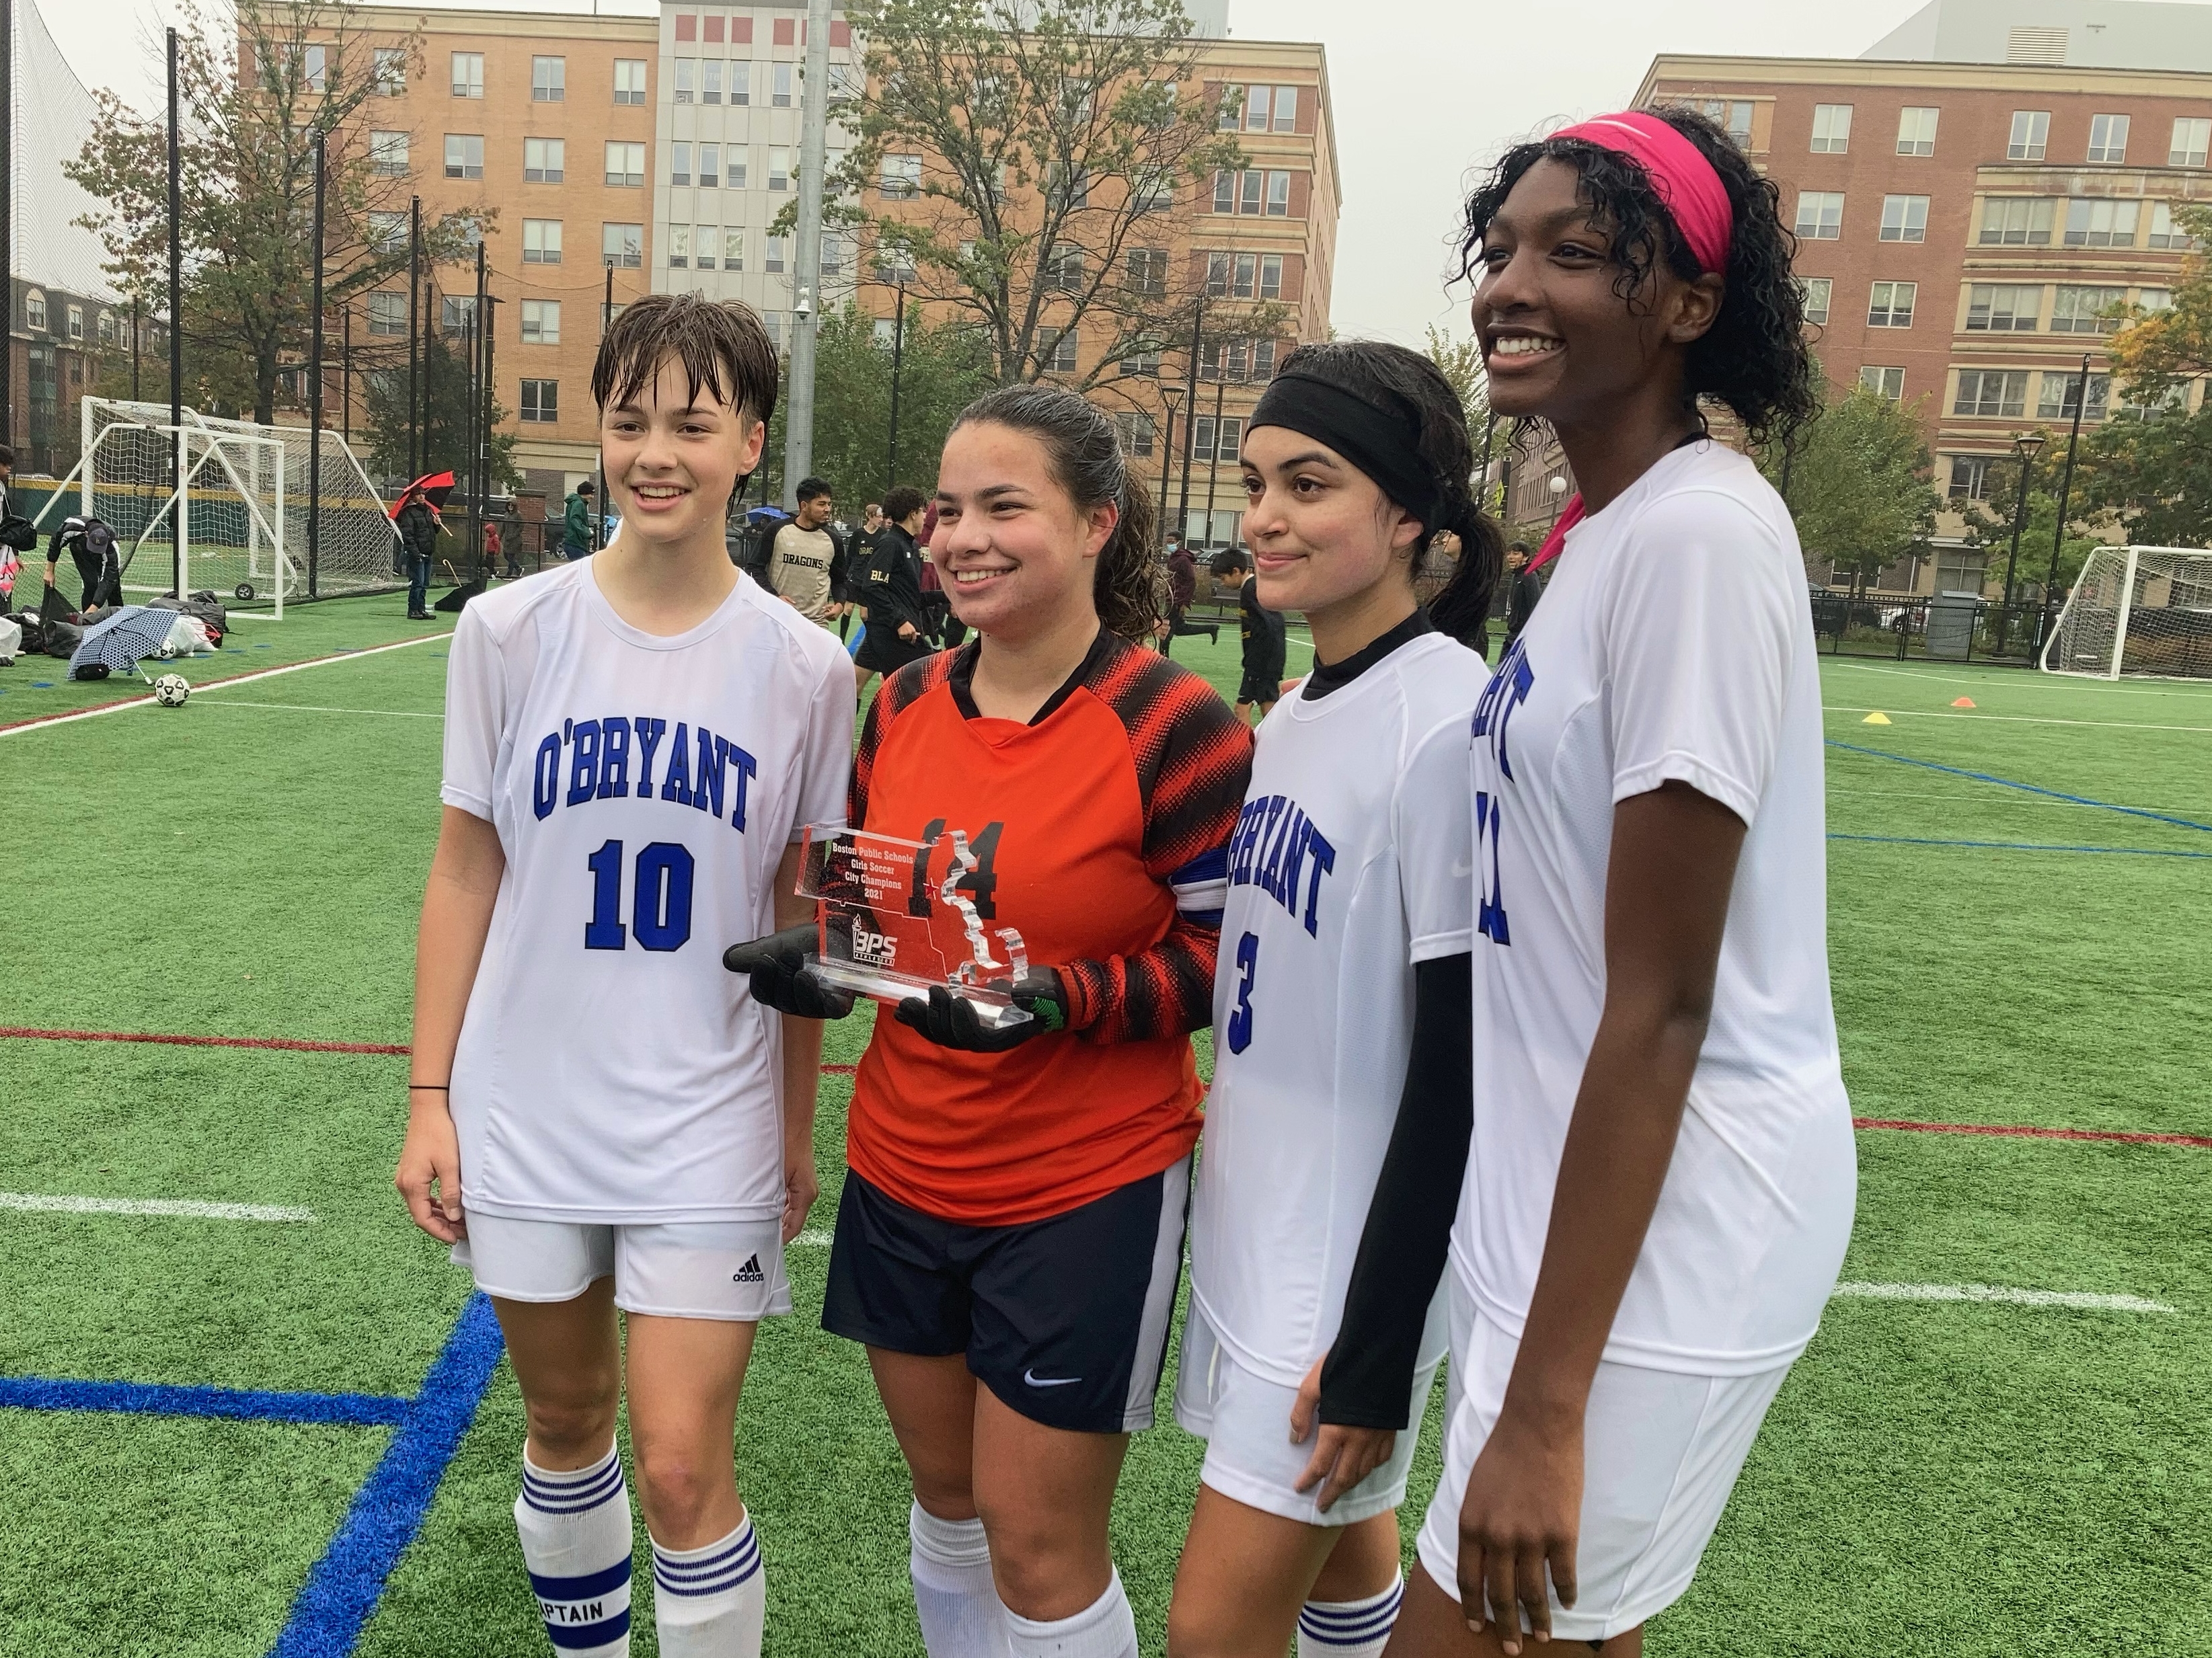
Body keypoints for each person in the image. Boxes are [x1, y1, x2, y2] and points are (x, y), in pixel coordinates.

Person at [1378, 106, 1852, 1657]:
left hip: (1680, 1217)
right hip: (1565, 1208)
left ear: (1686, 306)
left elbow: (1658, 1001)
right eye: (1499, 246)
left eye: (1573, 254)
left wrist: (1541, 1411)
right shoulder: (1599, 539)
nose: (1510, 283)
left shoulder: (1700, 542)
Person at [726, 385, 1251, 1658]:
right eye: (949, 507)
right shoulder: (901, 699)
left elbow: (1223, 966)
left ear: (1095, 525)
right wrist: (829, 960)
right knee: (949, 1507)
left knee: (1038, 1544)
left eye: (1003, 506)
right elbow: (890, 912)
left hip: (1083, 1188)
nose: (960, 535)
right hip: (903, 1169)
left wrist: (1056, 1002)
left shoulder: (1173, 727)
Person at [395, 292, 855, 1658]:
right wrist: (430, 1096)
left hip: (704, 1112)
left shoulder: (806, 666)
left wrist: (788, 1124)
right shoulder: (508, 632)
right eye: (630, 419)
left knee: (680, 1465)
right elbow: (465, 868)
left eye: (693, 424)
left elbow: (798, 920)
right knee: (562, 1422)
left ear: (749, 444)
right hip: (528, 1100)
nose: (656, 452)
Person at [1168, 341, 1500, 1658]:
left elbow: (1460, 1063)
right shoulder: (1298, 707)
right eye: (1256, 484)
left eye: (1310, 484)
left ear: (1410, 515)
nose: (1264, 517)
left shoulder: (1450, 727)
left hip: (1344, 1261)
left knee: (1213, 1632)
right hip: (1261, 1216)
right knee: (1342, 1566)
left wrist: (1373, 1336)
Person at [851, 485, 934, 695]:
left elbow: (910, 597)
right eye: (923, 511)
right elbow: (872, 587)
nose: (925, 517)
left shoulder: (911, 547)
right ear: (913, 513)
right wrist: (900, 621)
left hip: (884, 631)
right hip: (895, 635)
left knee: (854, 686)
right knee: (921, 689)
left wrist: (948, 597)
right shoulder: (891, 544)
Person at [1211, 549, 1285, 726]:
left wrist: (1255, 662)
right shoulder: (1255, 587)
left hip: (1261, 662)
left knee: (1242, 708)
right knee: (1268, 705)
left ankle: (1244, 750)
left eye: (1223, 578)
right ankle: (1276, 744)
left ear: (1236, 571)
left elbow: (1270, 626)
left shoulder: (1251, 589)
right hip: (1269, 659)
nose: (1223, 583)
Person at [765, 476, 847, 627]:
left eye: (829, 504)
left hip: (816, 624)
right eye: (821, 504)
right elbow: (755, 569)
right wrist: (775, 597)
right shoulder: (777, 530)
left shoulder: (833, 540)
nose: (827, 509)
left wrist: (839, 605)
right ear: (804, 506)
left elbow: (840, 581)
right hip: (777, 621)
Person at [1156, 542, 1219, 656]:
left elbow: (1191, 581)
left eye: (1171, 541)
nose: (1168, 544)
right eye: (1168, 541)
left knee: (1167, 628)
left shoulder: (1183, 560)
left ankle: (1163, 656)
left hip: (1177, 600)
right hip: (1172, 598)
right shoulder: (1174, 558)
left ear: (1178, 542)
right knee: (1179, 629)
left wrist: (1184, 602)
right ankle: (1211, 628)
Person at [395, 486, 439, 619]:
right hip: (417, 554)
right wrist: (416, 553)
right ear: (413, 497)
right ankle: (413, 610)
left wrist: (436, 524)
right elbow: (408, 536)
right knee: (418, 583)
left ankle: (421, 609)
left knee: (425, 584)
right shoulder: (409, 513)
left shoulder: (428, 511)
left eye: (423, 494)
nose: (422, 496)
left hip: (428, 553)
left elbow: (432, 532)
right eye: (418, 494)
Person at [1500, 543, 1543, 650]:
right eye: (1509, 554)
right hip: (1513, 636)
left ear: (1526, 557)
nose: (1510, 557)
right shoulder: (1517, 576)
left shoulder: (1530, 577)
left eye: (1515, 554)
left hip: (1523, 638)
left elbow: (1535, 606)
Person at [563, 478, 596, 560]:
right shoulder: (579, 504)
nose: (592, 497)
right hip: (576, 543)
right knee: (582, 570)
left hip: (572, 542)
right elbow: (574, 519)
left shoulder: (575, 502)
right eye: (591, 494)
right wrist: (587, 532)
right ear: (585, 493)